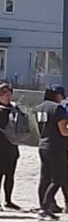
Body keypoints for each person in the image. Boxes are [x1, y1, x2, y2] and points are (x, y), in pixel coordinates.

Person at [35, 85, 67, 213]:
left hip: (43, 144)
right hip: (55, 146)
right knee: (58, 178)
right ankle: (46, 206)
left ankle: (42, 204)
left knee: (44, 177)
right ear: (58, 95)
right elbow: (63, 131)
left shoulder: (39, 107)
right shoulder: (57, 108)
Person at [0, 83, 21, 211]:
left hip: (11, 147)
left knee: (10, 175)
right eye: (4, 94)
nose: (8, 97)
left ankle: (8, 200)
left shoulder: (14, 109)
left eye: (9, 94)